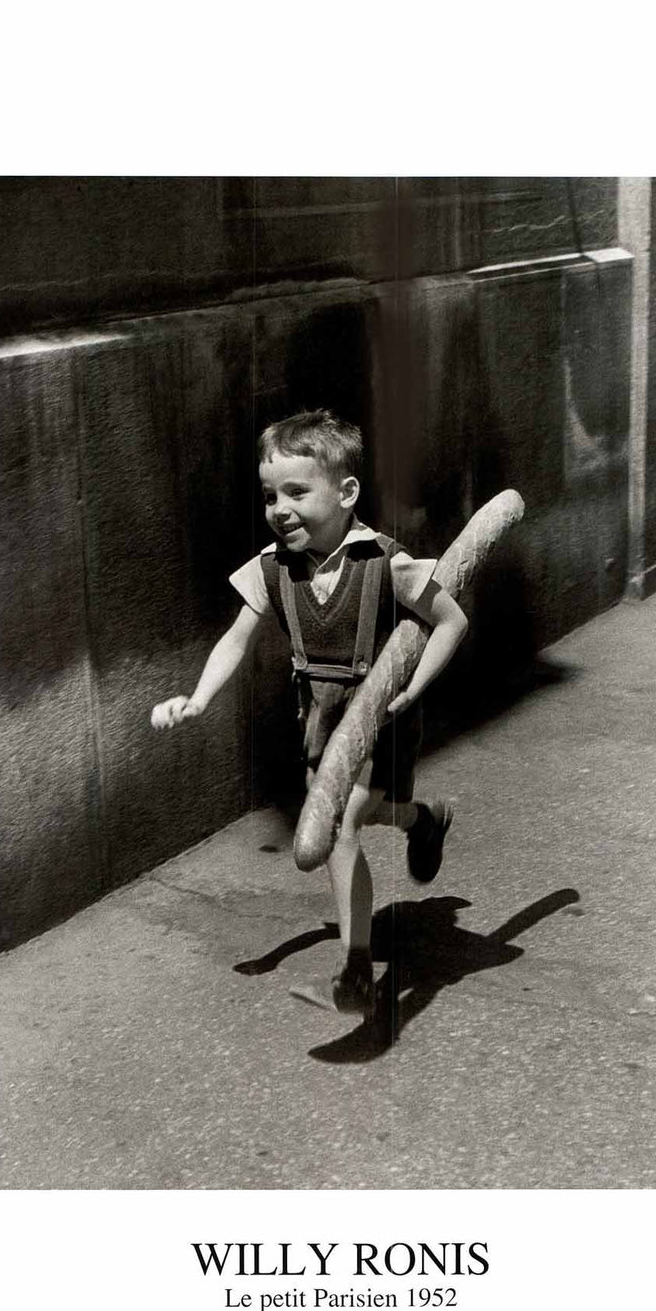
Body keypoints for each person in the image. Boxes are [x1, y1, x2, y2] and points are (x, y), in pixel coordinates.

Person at [150, 409, 469, 1016]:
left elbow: (452, 621)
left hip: (383, 716)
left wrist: (414, 688)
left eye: (297, 491)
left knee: (341, 826)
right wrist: (197, 698)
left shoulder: (386, 564)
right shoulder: (272, 568)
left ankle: (355, 974)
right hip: (320, 720)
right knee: (367, 814)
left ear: (346, 493)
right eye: (271, 494)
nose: (280, 507)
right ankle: (423, 821)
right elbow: (235, 639)